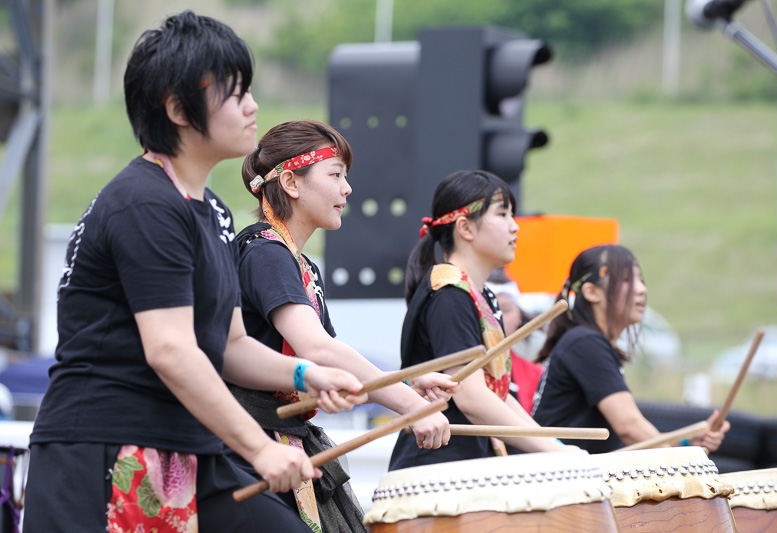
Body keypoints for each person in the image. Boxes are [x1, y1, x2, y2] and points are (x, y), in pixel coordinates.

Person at [23, 12, 367, 533]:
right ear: (179, 109)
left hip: (185, 445)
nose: (252, 106)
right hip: (104, 448)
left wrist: (305, 374)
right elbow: (170, 350)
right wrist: (259, 448)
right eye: (235, 94)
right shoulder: (143, 203)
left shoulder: (212, 212)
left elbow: (231, 347)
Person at [230, 119, 458, 531]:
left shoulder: (301, 264)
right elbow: (318, 349)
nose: (347, 189)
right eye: (335, 175)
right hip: (249, 443)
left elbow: (332, 366)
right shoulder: (265, 251)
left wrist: (406, 384)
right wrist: (410, 405)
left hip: (281, 438)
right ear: (291, 183)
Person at [389, 170, 567, 471]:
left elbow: (498, 394)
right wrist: (554, 451)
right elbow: (471, 397)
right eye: (503, 214)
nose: (515, 226)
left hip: (464, 466)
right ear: (465, 228)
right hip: (437, 471)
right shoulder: (449, 296)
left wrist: (555, 446)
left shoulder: (478, 295)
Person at [531, 244, 730, 453]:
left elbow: (634, 435)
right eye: (626, 280)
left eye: (641, 280)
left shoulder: (585, 341)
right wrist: (683, 459)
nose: (642, 289)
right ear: (592, 292)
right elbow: (629, 427)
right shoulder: (584, 342)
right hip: (559, 470)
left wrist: (686, 444)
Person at [486, 271, 544, 414]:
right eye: (489, 309)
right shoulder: (460, 369)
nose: (498, 317)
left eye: (505, 310)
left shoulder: (534, 373)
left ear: (519, 316)